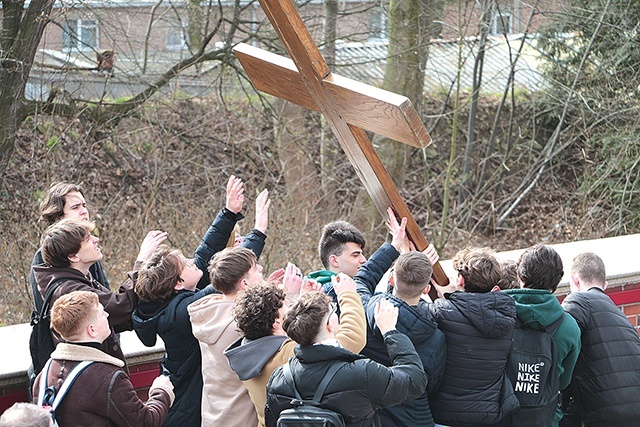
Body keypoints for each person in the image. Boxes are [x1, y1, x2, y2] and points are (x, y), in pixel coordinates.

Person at [132, 178, 270, 427]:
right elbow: (230, 275)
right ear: (177, 283)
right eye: (184, 263)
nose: (191, 260)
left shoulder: (170, 302)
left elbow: (205, 253)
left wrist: (229, 214)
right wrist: (258, 231)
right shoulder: (185, 310)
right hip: (186, 409)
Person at [225, 274, 366, 427]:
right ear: (276, 323)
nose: (289, 306)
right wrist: (348, 295)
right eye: (285, 305)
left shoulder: (246, 354)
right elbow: (352, 339)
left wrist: (304, 299)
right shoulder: (289, 355)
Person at [265, 294, 427, 427]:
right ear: (329, 325)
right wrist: (390, 331)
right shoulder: (361, 372)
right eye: (333, 311)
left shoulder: (278, 378)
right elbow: (414, 381)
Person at [32, 218, 165, 365]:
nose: (97, 240)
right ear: (73, 256)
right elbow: (122, 307)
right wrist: (142, 260)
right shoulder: (70, 290)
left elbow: (117, 315)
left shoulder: (77, 278)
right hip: (92, 374)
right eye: (88, 239)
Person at [32, 291, 174, 426]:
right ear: (92, 330)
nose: (107, 314)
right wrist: (161, 391)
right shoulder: (108, 379)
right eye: (101, 313)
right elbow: (146, 422)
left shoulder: (45, 374)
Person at [187, 247, 284, 427]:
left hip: (213, 416)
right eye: (255, 269)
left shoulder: (211, 313)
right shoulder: (240, 325)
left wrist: (265, 296)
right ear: (245, 284)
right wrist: (285, 299)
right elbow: (282, 341)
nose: (261, 269)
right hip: (242, 419)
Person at [428, 247, 519, 427]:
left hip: (444, 413)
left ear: (461, 280)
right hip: (487, 414)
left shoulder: (444, 311)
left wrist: (448, 296)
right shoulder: (506, 317)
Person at [358, 250, 446, 427]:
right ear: (427, 289)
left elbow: (361, 281)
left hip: (368, 415)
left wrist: (393, 246)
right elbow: (432, 384)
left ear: (391, 280)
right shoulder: (435, 337)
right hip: (412, 417)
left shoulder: (364, 310)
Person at [504, 244, 581, 427]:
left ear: (520, 276)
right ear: (557, 281)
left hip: (502, 415)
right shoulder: (568, 326)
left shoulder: (498, 313)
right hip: (545, 418)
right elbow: (563, 382)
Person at [560, 252, 640, 427]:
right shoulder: (622, 318)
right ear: (605, 285)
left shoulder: (577, 301)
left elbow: (561, 343)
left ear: (574, 280)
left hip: (605, 413)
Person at [29, 182, 109, 314]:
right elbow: (47, 313)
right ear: (59, 216)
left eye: (84, 205)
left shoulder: (88, 249)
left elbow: (107, 299)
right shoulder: (43, 257)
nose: (84, 211)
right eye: (75, 207)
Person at [307, 220, 367, 299]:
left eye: (361, 254)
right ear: (334, 260)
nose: (364, 260)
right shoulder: (333, 295)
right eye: (355, 255)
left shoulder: (307, 293)